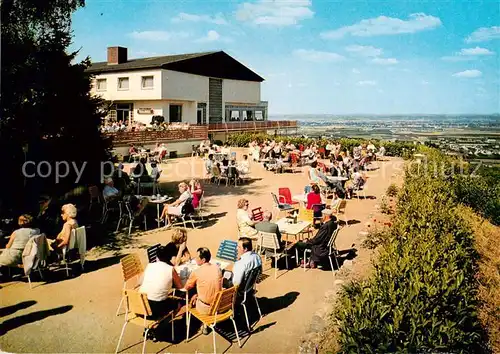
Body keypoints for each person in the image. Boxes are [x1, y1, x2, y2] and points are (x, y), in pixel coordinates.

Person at [139, 245, 183, 317]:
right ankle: (169, 322)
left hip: (140, 307)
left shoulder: (150, 265)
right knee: (177, 304)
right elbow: (180, 286)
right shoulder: (170, 269)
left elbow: (140, 282)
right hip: (155, 311)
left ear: (157, 257)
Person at [183, 247, 222, 317]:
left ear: (203, 260)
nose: (195, 259)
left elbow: (186, 287)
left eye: (197, 257)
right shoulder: (217, 269)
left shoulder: (197, 272)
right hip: (218, 305)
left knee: (191, 293)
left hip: (206, 309)